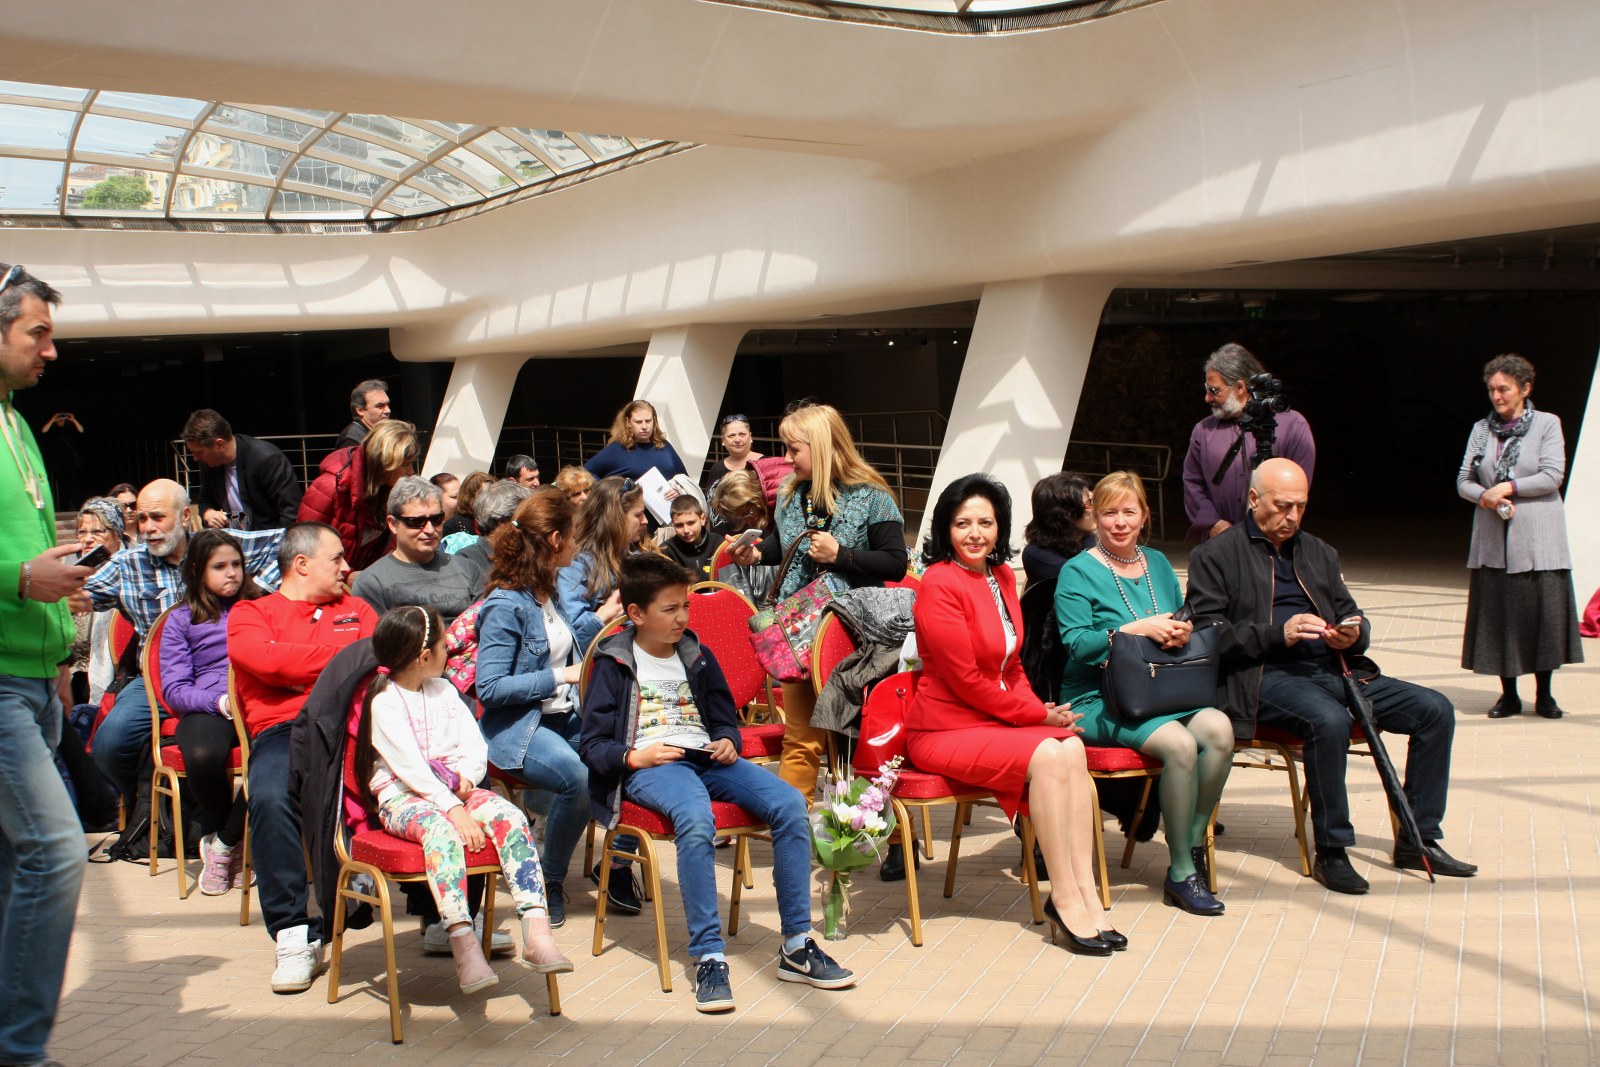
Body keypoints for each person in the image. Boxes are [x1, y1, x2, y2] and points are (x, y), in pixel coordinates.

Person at [578, 553, 855, 1013]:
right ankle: (708, 955)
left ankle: (796, 944)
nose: (682, 617)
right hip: (654, 766)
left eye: (685, 606)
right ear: (636, 614)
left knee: (789, 804)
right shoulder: (614, 662)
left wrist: (728, 740)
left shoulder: (696, 654)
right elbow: (592, 745)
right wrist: (634, 757)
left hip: (709, 758)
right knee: (695, 818)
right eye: (670, 609)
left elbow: (726, 719)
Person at [1187, 458, 1476, 894]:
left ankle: (1418, 839)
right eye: (1283, 506)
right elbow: (1208, 634)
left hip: (1334, 669)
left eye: (1301, 506)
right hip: (1261, 677)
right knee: (1329, 720)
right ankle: (1333, 850)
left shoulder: (1319, 552)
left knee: (1434, 708)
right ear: (1254, 499)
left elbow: (1351, 614)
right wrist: (1278, 634)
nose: (1293, 516)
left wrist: (1353, 635)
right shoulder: (1215, 555)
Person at [909, 475, 1122, 956]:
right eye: (962, 523)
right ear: (945, 528)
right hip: (944, 727)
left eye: (985, 523)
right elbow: (966, 681)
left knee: (1071, 748)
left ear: (1000, 527)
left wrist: (1039, 710)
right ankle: (1063, 897)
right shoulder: (939, 583)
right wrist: (1035, 716)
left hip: (991, 719)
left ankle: (1085, 891)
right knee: (1049, 753)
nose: (975, 533)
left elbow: (1013, 665)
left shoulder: (1002, 575)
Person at [353, 605, 571, 992]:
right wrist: (453, 808)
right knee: (442, 834)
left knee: (510, 818)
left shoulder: (445, 691)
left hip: (457, 789)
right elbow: (410, 768)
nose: (448, 651)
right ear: (423, 657)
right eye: (443, 645)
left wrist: (468, 777)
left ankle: (536, 931)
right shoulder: (384, 701)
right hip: (404, 798)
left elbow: (473, 743)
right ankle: (461, 939)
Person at [1056, 471, 1234, 915]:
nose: (1119, 522)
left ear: (1144, 515)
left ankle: (1192, 841)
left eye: (1129, 512)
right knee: (1179, 745)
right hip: (1098, 697)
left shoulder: (1156, 562)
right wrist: (1134, 630)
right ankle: (1181, 872)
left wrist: (1180, 630)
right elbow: (1077, 645)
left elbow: (1178, 615)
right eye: (1109, 512)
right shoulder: (1076, 571)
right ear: (1094, 516)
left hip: (1160, 688)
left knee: (1219, 730)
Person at [0, 262, 91, 1067]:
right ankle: (20, 1050)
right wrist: (20, 579)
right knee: (58, 849)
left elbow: (32, 552)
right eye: (39, 332)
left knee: (13, 865)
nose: (51, 351)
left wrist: (61, 628)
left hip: (35, 677)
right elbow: (17, 567)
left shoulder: (20, 425)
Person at [728, 401, 906, 804]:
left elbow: (896, 563)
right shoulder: (791, 493)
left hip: (856, 638)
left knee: (861, 738)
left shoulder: (872, 496)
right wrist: (756, 553)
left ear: (822, 447)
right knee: (801, 737)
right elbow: (783, 543)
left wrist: (841, 555)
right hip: (799, 634)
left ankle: (885, 829)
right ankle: (794, 824)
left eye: (794, 449)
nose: (787, 459)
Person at [228, 522, 378, 993]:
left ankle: (442, 914)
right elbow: (265, 661)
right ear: (302, 563)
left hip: (357, 727)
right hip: (283, 731)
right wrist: (340, 658)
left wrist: (297, 664)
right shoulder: (251, 612)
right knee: (269, 797)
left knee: (422, 784)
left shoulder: (357, 608)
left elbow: (374, 658)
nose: (347, 567)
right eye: (337, 558)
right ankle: (294, 934)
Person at [84, 479, 282, 809]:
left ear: (185, 516)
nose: (148, 528)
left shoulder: (223, 547)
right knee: (109, 743)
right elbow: (77, 595)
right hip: (155, 680)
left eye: (158, 517)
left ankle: (216, 823)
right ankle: (146, 807)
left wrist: (257, 591)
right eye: (142, 519)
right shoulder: (126, 565)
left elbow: (288, 543)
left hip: (224, 673)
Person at [475, 489, 595, 929]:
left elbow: (572, 642)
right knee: (579, 779)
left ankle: (619, 867)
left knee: (618, 756)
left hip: (564, 718)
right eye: (573, 536)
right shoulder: (506, 604)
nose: (577, 545)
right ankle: (549, 880)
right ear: (555, 539)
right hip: (518, 727)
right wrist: (560, 676)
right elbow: (489, 688)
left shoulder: (549, 592)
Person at [1456, 354, 1583, 719]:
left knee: (1541, 619)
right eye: (1492, 389)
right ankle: (1508, 695)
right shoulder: (1482, 429)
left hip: (1538, 542)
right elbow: (1464, 478)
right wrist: (1485, 495)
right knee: (1500, 620)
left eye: (1504, 389)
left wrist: (1508, 487)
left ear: (1525, 389)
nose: (1497, 396)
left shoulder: (1546, 424)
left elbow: (1552, 475)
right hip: (1493, 542)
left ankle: (1545, 696)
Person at [159, 529, 261, 896]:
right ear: (198, 570)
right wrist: (219, 702)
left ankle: (223, 845)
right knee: (202, 754)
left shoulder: (261, 606)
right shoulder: (180, 619)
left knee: (278, 753)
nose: (231, 573)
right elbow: (174, 688)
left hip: (259, 701)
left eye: (236, 564)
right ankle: (229, 838)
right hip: (211, 703)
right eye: (220, 566)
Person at [1181, 343, 1316, 542]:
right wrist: (1213, 523)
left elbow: (1298, 488)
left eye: (1214, 390)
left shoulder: (1293, 427)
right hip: (1220, 544)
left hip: (1275, 543)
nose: (1207, 398)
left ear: (1240, 388)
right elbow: (1192, 483)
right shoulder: (1203, 431)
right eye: (1206, 389)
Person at [352, 476, 485, 625]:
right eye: (416, 522)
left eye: (436, 519)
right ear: (393, 524)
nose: (429, 530)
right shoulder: (372, 583)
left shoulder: (469, 569)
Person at [297, 417, 419, 573]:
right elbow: (303, 545)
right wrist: (347, 575)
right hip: (327, 579)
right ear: (385, 461)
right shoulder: (330, 486)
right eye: (405, 464)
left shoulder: (390, 491)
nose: (411, 471)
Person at [555, 476, 644, 654]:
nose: (645, 521)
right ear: (616, 518)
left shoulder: (636, 557)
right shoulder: (576, 566)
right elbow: (575, 632)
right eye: (638, 515)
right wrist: (611, 615)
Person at [181, 408, 303, 531]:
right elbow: (205, 500)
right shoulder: (209, 464)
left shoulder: (267, 459)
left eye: (199, 453)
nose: (195, 458)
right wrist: (208, 513)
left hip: (270, 537)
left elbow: (291, 512)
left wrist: (277, 541)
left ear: (219, 444)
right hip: (233, 538)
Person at [707, 469, 776, 602]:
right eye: (738, 516)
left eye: (746, 512)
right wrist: (758, 554)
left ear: (754, 499)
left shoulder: (779, 500)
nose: (747, 520)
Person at [1021, 471, 1095, 592]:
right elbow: (1087, 580)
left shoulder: (1088, 539)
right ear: (1065, 512)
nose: (1096, 509)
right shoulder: (1037, 554)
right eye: (1089, 504)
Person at [584, 400, 688, 484]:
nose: (644, 426)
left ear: (654, 420)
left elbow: (684, 478)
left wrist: (677, 488)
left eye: (648, 421)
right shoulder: (617, 449)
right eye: (638, 422)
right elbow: (586, 472)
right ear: (628, 422)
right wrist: (609, 493)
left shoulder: (665, 446)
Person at [447, 479, 531, 574]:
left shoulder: (526, 553)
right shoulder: (467, 560)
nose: (529, 527)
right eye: (521, 521)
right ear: (500, 522)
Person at [702, 413, 764, 495]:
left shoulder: (765, 464)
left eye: (742, 434)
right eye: (731, 436)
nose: (737, 440)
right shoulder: (716, 469)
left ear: (750, 437)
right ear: (723, 441)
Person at [660, 495, 715, 581]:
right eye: (679, 525)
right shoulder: (666, 551)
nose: (686, 530)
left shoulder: (717, 543)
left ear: (702, 519)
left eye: (691, 523)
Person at [334, 378, 391, 449]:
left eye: (388, 405)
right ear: (360, 410)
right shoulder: (351, 439)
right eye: (380, 406)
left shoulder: (384, 433)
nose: (388, 410)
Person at [440, 470, 492, 540]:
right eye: (483, 494)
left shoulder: (496, 522)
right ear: (470, 496)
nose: (489, 498)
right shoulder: (451, 526)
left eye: (492, 493)